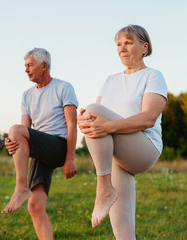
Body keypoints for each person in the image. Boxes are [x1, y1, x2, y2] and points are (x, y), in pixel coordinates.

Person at [77, 25, 167, 239]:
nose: (122, 48)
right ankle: (107, 190)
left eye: (128, 43)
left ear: (144, 47)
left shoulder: (153, 76)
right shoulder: (110, 80)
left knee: (94, 110)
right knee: (123, 232)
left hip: (144, 147)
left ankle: (104, 189)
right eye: (119, 44)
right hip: (117, 155)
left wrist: (105, 126)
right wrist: (83, 121)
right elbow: (95, 119)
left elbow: (148, 119)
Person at [1, 48, 78, 240]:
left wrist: (70, 160)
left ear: (44, 66)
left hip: (58, 146)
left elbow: (72, 125)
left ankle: (20, 187)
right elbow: (25, 129)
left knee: (16, 129)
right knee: (35, 206)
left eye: (30, 65)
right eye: (25, 66)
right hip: (40, 148)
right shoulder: (27, 95)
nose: (26, 70)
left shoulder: (63, 87)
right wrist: (12, 143)